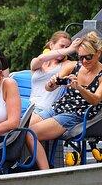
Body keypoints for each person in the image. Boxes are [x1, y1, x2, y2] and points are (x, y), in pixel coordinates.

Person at [27, 31, 102, 170]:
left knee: (30, 134)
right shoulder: (73, 66)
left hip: (75, 115)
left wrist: (79, 87)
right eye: (81, 58)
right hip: (57, 108)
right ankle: (29, 166)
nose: (84, 61)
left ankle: (46, 173)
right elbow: (48, 88)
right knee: (21, 129)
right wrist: (53, 83)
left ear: (98, 53)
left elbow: (95, 100)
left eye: (88, 57)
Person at [29, 31, 82, 119]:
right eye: (62, 46)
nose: (65, 50)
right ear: (51, 45)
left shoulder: (67, 64)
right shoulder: (38, 61)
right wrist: (68, 50)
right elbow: (41, 58)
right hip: (31, 107)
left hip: (46, 110)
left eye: (67, 47)